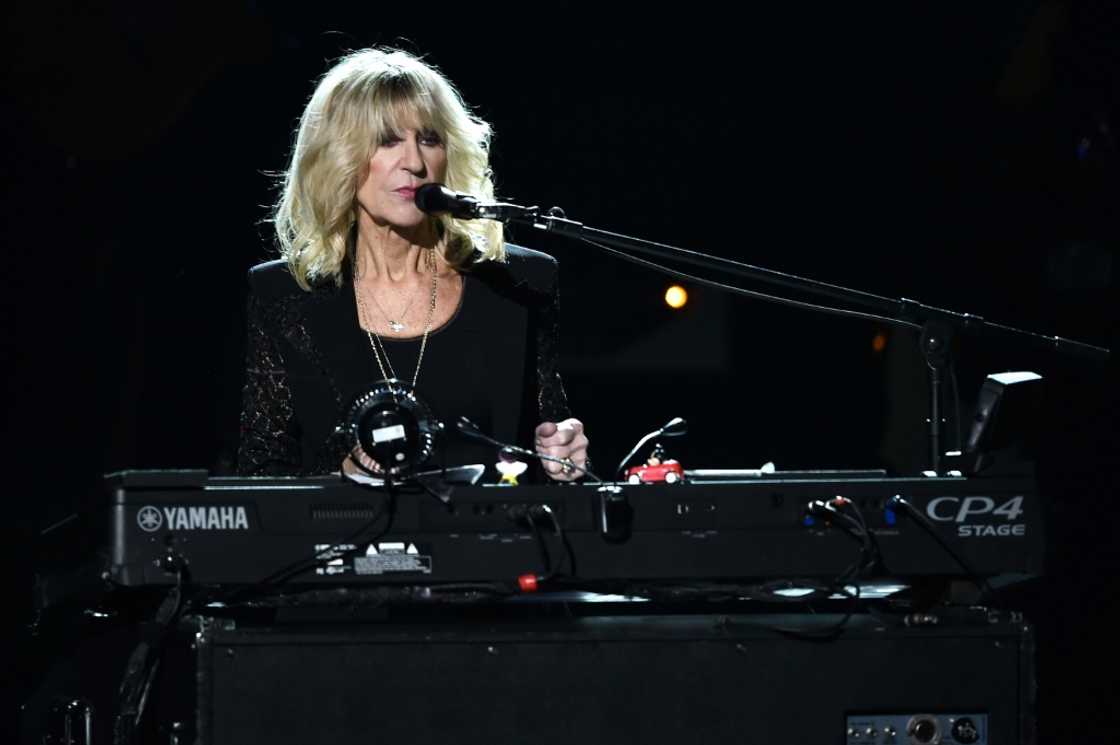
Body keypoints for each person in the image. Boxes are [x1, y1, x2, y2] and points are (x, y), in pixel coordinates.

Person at [236, 47, 589, 480]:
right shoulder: (285, 296)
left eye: (429, 139)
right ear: (339, 157)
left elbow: (551, 452)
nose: (415, 163)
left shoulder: (518, 283)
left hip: (489, 544)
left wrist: (564, 458)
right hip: (347, 542)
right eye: (388, 141)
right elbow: (260, 475)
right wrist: (340, 477)